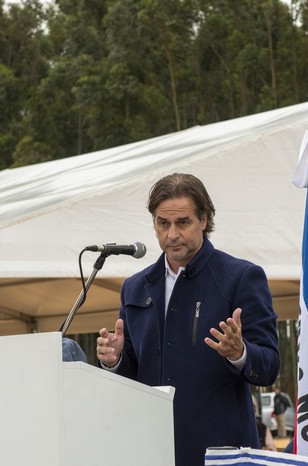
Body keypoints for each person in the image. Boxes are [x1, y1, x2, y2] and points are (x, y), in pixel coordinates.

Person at [97, 173, 280, 466]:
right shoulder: (135, 287)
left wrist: (240, 354)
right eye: (162, 223)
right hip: (151, 450)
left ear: (204, 220)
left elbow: (270, 365)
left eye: (183, 222)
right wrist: (115, 360)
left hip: (221, 455)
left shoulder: (241, 277)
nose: (171, 235)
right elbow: (132, 372)